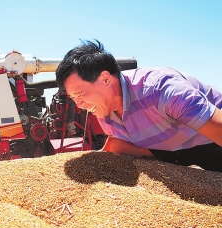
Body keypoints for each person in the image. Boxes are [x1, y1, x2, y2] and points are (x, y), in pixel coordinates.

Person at [55, 40, 222, 172]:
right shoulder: (103, 111)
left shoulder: (160, 89)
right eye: (73, 98)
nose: (79, 104)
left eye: (80, 94)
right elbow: (118, 146)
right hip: (173, 148)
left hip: (210, 138)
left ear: (105, 79)